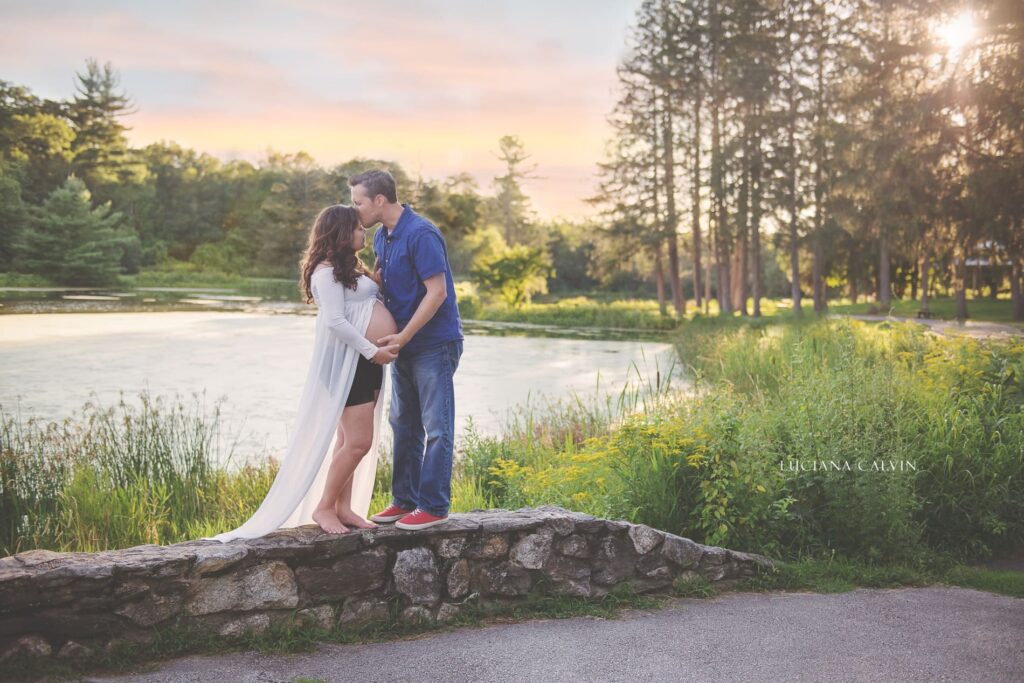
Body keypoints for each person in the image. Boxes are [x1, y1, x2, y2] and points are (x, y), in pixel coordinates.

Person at [202, 204, 399, 541]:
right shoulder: (325, 271)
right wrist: (373, 349)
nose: (362, 232)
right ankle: (323, 506)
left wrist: (375, 284)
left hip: (365, 363)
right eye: (355, 228)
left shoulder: (349, 268)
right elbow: (336, 322)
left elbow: (359, 307)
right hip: (349, 363)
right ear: (339, 232)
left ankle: (344, 507)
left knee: (346, 440)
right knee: (359, 443)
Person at [349, 169, 464, 531]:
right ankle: (404, 500)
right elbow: (389, 287)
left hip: (433, 344)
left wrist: (403, 337)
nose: (356, 211)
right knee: (403, 422)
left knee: (437, 426)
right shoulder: (383, 237)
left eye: (359, 203)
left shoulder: (422, 233)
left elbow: (437, 293)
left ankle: (434, 505)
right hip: (403, 346)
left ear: (379, 200)